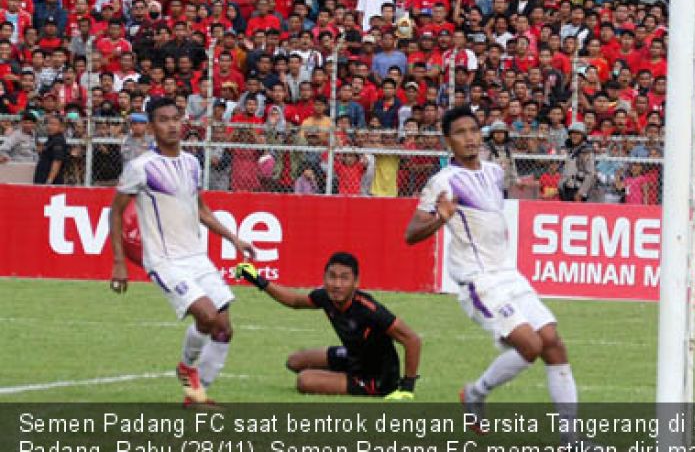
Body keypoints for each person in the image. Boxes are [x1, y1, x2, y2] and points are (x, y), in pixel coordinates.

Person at [404, 106, 581, 434]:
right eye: (460, 132)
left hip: (509, 274)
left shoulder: (495, 171)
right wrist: (441, 217)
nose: (469, 138)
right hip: (478, 281)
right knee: (530, 345)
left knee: (553, 342)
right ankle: (476, 394)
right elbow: (411, 234)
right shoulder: (443, 182)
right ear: (448, 141)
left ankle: (571, 439)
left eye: (473, 130)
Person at [107, 97, 256, 406]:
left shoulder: (191, 162)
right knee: (207, 316)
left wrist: (234, 239)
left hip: (197, 257)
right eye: (163, 120)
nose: (172, 125)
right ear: (151, 127)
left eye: (176, 118)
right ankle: (190, 377)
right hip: (165, 262)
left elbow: (201, 209)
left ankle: (194, 388)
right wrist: (119, 262)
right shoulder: (140, 168)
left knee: (224, 330)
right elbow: (116, 212)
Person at [233, 252, 422, 398]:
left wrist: (407, 388)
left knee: (304, 381)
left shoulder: (369, 310)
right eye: (332, 276)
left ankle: (346, 381)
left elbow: (412, 340)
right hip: (353, 357)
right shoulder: (325, 297)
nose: (337, 284)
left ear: (356, 282)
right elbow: (294, 301)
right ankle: (338, 376)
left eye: (344, 278)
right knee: (294, 361)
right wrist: (258, 280)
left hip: (376, 377)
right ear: (324, 278)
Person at [34, 114, 69, 184]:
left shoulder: (58, 141)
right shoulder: (51, 139)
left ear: (61, 127)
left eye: (54, 124)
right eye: (49, 123)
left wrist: (49, 180)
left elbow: (57, 161)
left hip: (52, 182)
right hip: (42, 178)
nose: (50, 126)